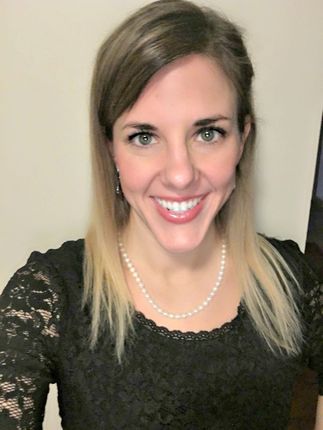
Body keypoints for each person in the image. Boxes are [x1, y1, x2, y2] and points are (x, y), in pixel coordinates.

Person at [0, 0, 322, 429]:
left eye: (208, 133)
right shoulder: (50, 295)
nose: (180, 174)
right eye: (144, 136)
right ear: (110, 147)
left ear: (242, 139)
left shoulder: (293, 282)